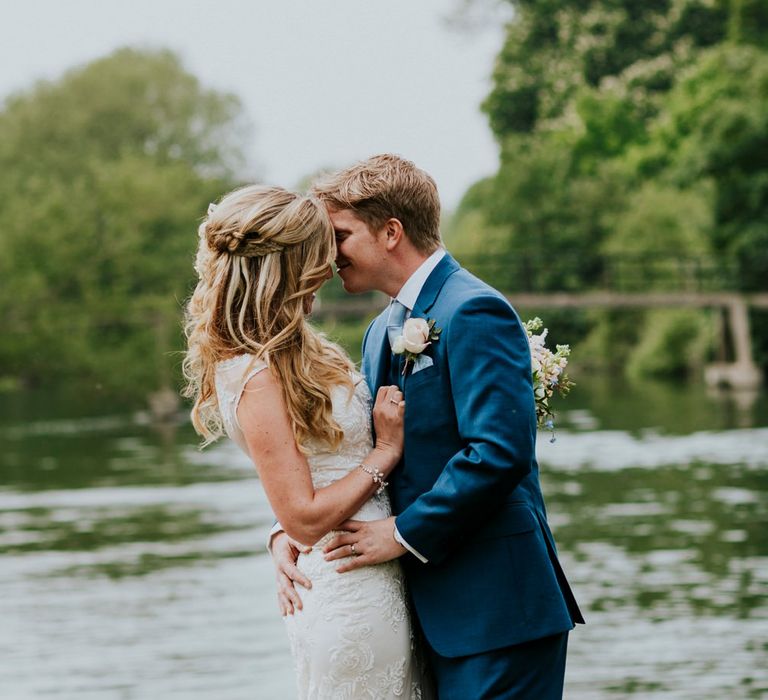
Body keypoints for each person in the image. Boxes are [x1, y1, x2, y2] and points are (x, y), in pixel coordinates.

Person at [271, 155, 585, 699]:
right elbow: (357, 450)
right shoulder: (378, 331)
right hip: (421, 617)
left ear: (391, 232)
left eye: (340, 235)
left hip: (496, 610)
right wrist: (290, 530)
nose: (328, 254)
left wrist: (399, 533)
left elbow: (498, 452)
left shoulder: (475, 310)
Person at [183, 185, 431, 698]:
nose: (331, 265)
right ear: (288, 265)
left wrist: (279, 534)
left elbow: (311, 476)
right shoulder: (253, 374)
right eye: (320, 252)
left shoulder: (299, 349)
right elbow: (304, 516)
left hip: (380, 576)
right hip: (348, 593)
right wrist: (386, 451)